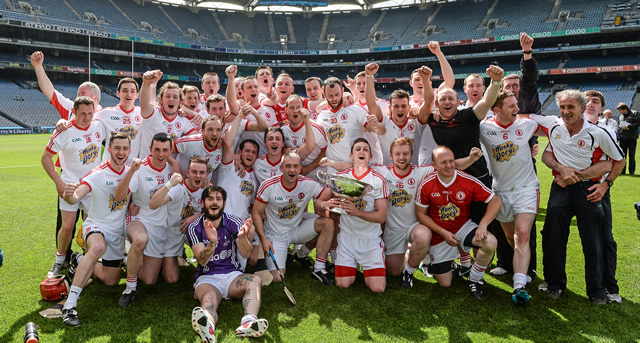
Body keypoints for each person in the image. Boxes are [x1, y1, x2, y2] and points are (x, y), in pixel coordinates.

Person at [531, 90, 625, 304]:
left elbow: (619, 160)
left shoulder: (598, 132)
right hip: (560, 187)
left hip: (589, 189)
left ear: (582, 109)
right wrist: (560, 168)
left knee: (593, 241)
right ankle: (554, 284)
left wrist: (605, 186)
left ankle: (597, 290)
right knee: (553, 237)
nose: (565, 111)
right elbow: (546, 152)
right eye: (562, 107)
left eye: (570, 107)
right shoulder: (554, 126)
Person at [59, 132, 135, 326]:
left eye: (125, 148)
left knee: (111, 280)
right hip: (96, 225)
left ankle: (78, 260)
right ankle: (70, 306)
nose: (121, 152)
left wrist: (133, 205)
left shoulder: (131, 171)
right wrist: (69, 196)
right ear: (108, 149)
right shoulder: (99, 173)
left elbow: (133, 196)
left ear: (130, 150)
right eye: (117, 148)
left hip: (117, 231)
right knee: (97, 248)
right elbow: (76, 197)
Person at [415, 146, 501, 299]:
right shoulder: (427, 184)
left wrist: (483, 224)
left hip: (463, 228)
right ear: (434, 166)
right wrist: (443, 232)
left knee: (490, 242)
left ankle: (474, 279)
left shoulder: (466, 180)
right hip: (439, 234)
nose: (449, 165)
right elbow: (421, 215)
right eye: (443, 162)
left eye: (451, 161)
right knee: (445, 283)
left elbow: (496, 200)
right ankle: (438, 260)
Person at [490, 32, 543, 279]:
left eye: (516, 85)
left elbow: (530, 79)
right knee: (502, 215)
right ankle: (505, 261)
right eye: (508, 86)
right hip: (499, 167)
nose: (513, 89)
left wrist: (527, 54)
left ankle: (528, 268)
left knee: (524, 224)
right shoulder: (493, 116)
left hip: (523, 164)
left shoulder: (527, 101)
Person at [480, 91, 540, 304]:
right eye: (511, 106)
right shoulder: (484, 128)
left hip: (526, 187)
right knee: (509, 237)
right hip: (501, 191)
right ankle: (520, 267)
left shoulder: (526, 124)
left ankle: (519, 286)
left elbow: (555, 130)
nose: (517, 109)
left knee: (522, 234)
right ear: (497, 110)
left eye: (516, 104)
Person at [187, 186, 268, 342]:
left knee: (255, 280)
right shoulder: (194, 227)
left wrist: (243, 238)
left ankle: (249, 323)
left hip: (232, 275)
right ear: (203, 203)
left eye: (218, 199)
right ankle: (208, 328)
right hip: (207, 277)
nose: (214, 202)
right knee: (209, 298)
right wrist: (213, 241)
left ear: (224, 203)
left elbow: (246, 253)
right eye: (210, 199)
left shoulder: (233, 221)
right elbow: (202, 260)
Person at [42, 97, 105, 278]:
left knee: (89, 227)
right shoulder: (64, 131)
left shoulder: (99, 126)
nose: (86, 117)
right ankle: (59, 261)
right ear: (74, 113)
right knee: (67, 227)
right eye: (82, 113)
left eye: (90, 113)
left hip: (92, 186)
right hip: (70, 187)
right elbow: (45, 158)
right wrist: (58, 182)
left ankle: (87, 261)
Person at [113, 133, 176, 307]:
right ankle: (130, 289)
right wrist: (129, 204)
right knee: (140, 240)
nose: (161, 155)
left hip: (160, 226)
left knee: (149, 280)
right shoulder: (139, 168)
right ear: (150, 149)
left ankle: (129, 260)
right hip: (138, 219)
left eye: (165, 150)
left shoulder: (173, 169)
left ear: (170, 151)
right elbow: (121, 196)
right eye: (157, 150)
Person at [252, 152, 335, 285]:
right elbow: (256, 212)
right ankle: (286, 256)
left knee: (328, 224)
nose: (292, 170)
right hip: (276, 235)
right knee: (279, 277)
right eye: (288, 166)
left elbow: (323, 194)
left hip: (296, 229)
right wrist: (264, 239)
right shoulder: (269, 185)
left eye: (296, 166)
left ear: (300, 168)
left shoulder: (307, 184)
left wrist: (332, 189)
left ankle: (317, 268)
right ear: (281, 168)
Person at [323, 138, 388, 292]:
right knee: (343, 284)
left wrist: (356, 212)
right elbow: (321, 200)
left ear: (370, 157)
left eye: (365, 149)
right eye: (358, 149)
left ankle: (367, 266)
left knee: (377, 288)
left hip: (370, 240)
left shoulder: (378, 180)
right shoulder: (341, 178)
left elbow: (381, 217)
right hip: (347, 239)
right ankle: (352, 266)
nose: (361, 151)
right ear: (351, 156)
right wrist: (324, 205)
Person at [365, 63, 436, 165]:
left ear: (409, 107)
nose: (400, 110)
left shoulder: (416, 123)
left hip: (413, 174)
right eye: (396, 106)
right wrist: (369, 76)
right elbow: (371, 104)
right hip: (389, 176)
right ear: (390, 108)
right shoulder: (385, 122)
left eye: (403, 106)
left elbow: (429, 102)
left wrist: (426, 79)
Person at [315, 77, 384, 172]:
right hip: (333, 169)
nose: (334, 99)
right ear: (324, 94)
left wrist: (375, 125)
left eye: (337, 94)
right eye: (330, 96)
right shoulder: (321, 117)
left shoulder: (355, 110)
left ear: (343, 91)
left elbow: (377, 130)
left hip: (355, 168)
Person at [138, 70, 196, 158]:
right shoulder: (153, 114)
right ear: (161, 100)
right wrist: (146, 84)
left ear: (180, 101)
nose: (171, 99)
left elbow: (198, 139)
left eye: (175, 97)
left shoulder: (183, 121)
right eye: (167, 96)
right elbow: (144, 102)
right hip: (147, 169)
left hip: (169, 170)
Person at [281, 94, 328, 181]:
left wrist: (309, 168)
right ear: (285, 110)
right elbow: (281, 147)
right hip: (295, 176)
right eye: (291, 107)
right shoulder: (283, 129)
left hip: (317, 175)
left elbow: (326, 151)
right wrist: (284, 149)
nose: (295, 111)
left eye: (298, 107)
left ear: (304, 109)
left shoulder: (315, 128)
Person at [174, 115, 224, 181]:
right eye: (210, 129)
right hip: (181, 184)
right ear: (202, 131)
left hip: (201, 188)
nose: (214, 133)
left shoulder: (223, 148)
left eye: (218, 130)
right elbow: (166, 148)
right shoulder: (191, 142)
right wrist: (174, 165)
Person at [616, 102, 639, 175]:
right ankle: (622, 171)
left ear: (624, 109)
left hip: (632, 138)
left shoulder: (635, 113)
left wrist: (628, 126)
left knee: (631, 155)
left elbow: (638, 123)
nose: (620, 112)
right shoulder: (621, 116)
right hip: (623, 138)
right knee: (623, 155)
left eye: (620, 110)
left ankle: (632, 171)